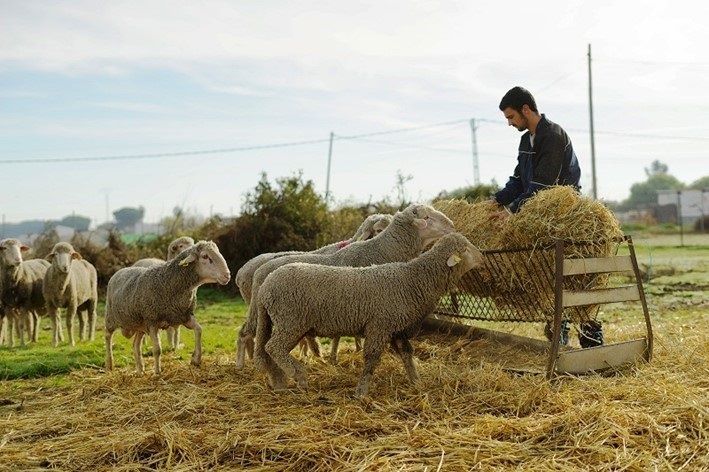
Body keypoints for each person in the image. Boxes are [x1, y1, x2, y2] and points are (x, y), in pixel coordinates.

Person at [492, 86, 603, 348]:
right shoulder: (525, 140)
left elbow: (543, 186)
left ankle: (592, 343)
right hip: (539, 217)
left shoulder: (552, 136)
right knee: (549, 277)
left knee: (576, 279)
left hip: (563, 216)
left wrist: (512, 212)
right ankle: (559, 335)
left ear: (526, 110)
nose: (510, 123)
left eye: (511, 117)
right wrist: (497, 200)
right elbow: (520, 179)